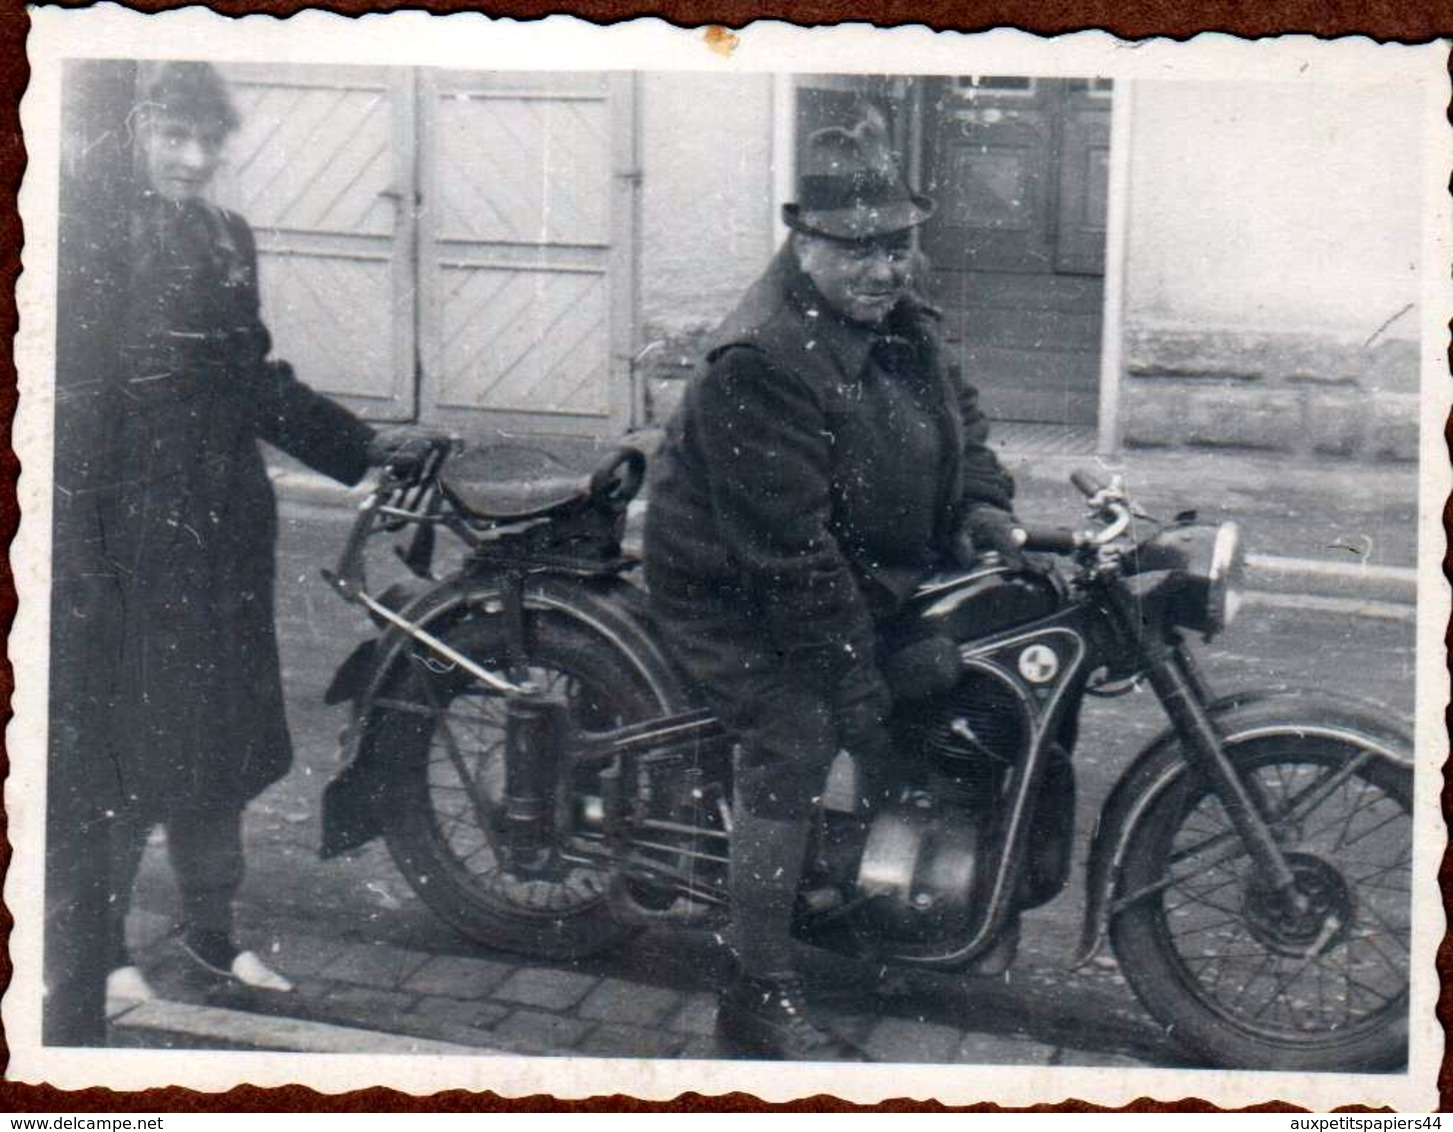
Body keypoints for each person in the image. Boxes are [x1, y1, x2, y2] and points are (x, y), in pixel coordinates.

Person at [57, 61, 440, 1003]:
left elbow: (252, 377)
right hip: (121, 531)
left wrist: (362, 444)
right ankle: (98, 954)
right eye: (173, 137)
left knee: (218, 744)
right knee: (125, 746)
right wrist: (71, 550)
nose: (193, 159)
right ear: (138, 129)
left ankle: (209, 938)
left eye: (208, 141)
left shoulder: (227, 237)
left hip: (222, 526)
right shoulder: (80, 238)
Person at [644, 119, 1023, 1060]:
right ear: (804, 243)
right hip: (737, 588)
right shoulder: (760, 358)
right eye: (857, 248)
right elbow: (787, 560)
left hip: (854, 571)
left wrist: (979, 499)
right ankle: (754, 996)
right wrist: (860, 694)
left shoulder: (893, 302)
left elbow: (957, 407)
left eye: (896, 244)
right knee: (799, 730)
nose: (883, 268)